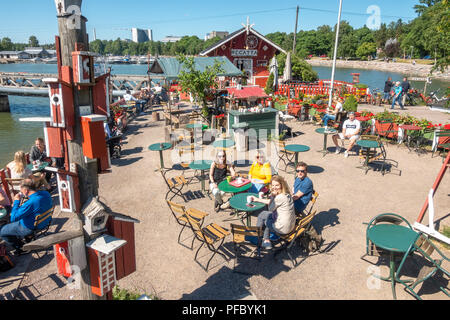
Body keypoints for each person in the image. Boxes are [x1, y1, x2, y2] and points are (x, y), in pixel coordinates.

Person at [0, 179, 52, 254]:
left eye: (21, 191)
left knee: (2, 232)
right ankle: (28, 237)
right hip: (45, 221)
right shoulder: (45, 193)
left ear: (26, 190)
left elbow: (13, 218)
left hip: (30, 227)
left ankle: (22, 248)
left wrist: (16, 201)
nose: (21, 192)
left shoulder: (30, 203)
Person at [251, 176, 296, 249]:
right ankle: (265, 239)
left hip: (283, 229)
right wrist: (258, 199)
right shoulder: (287, 194)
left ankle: (261, 237)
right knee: (263, 214)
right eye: (273, 185)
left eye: (277, 185)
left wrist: (272, 196)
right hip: (291, 226)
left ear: (281, 185)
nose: (274, 187)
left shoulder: (279, 197)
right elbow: (273, 203)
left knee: (266, 220)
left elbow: (270, 208)